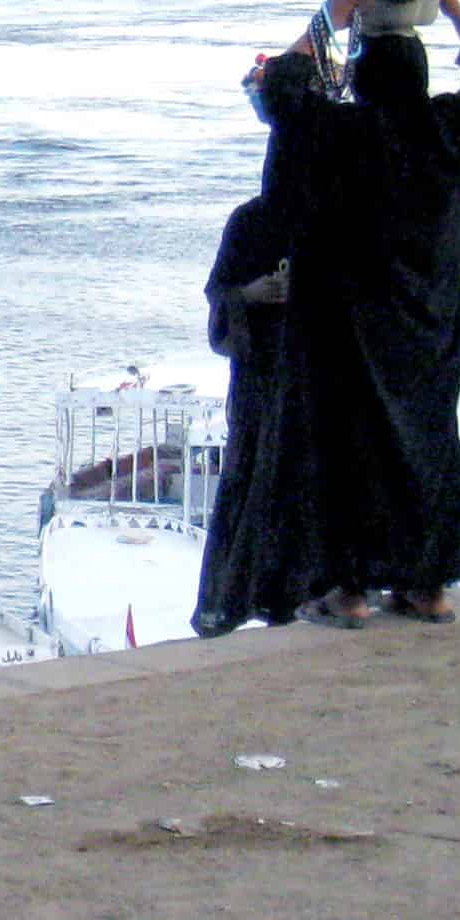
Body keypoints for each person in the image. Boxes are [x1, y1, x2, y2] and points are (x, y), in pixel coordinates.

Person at [257, 0, 460, 629]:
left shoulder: (337, 133)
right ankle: (427, 586)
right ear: (422, 74)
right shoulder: (452, 131)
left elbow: (283, 89)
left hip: (345, 320)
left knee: (345, 446)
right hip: (430, 320)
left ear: (363, 79)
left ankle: (348, 591)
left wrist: (328, 15)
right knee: (427, 442)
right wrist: (453, 5)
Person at [187, 186, 299, 637]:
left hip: (310, 371)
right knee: (251, 477)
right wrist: (250, 295)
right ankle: (238, 596)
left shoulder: (332, 211)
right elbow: (219, 288)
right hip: (260, 375)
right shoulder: (251, 219)